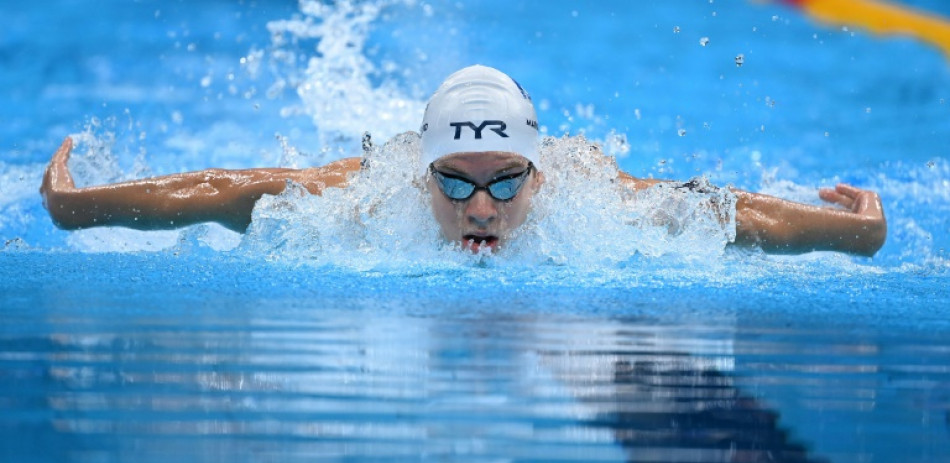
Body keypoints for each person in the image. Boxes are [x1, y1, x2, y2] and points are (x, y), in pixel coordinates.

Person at [40, 65, 888, 257]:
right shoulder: (365, 196)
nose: (480, 209)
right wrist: (76, 206)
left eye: (503, 184)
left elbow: (729, 211)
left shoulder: (588, 189)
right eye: (454, 182)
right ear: (422, 173)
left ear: (538, 173)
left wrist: (860, 232)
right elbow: (221, 189)